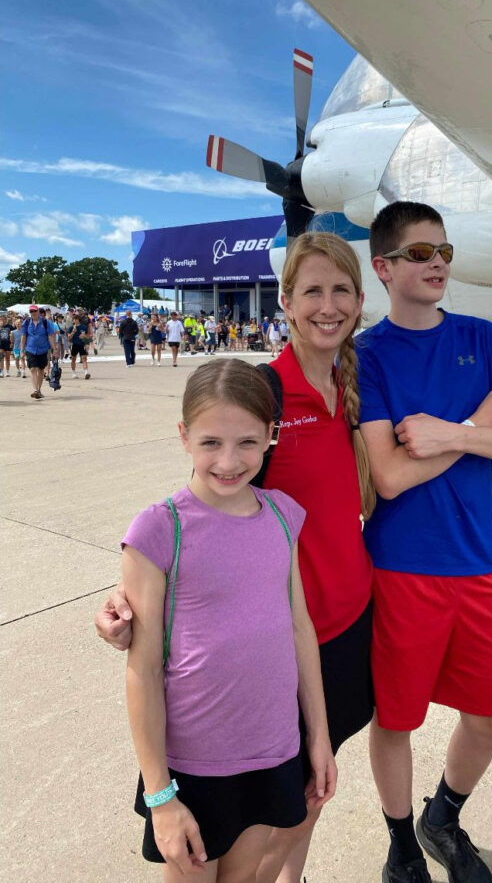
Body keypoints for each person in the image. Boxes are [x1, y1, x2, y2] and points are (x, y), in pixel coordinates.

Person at [96, 232, 376, 883]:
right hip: (240, 695)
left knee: (301, 804)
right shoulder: (259, 390)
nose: (231, 458)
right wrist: (125, 598)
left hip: (334, 636)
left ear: (362, 301)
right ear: (284, 299)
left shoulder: (362, 382)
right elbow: (199, 523)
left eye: (341, 291)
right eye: (311, 290)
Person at [357, 201, 492, 883]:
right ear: (383, 267)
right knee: (397, 718)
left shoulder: (483, 336)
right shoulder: (368, 355)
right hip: (401, 568)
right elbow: (390, 475)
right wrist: (479, 421)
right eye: (418, 253)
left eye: (443, 251)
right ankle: (402, 843)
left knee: (491, 715)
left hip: (476, 561)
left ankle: (444, 815)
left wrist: (454, 431)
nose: (436, 261)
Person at [122, 358, 336, 880]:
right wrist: (160, 793)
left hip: (272, 749)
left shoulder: (284, 515)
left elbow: (299, 628)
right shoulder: (159, 529)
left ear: (271, 435)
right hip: (193, 766)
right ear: (184, 436)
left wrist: (319, 736)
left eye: (246, 442)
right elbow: (143, 669)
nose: (229, 460)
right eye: (211, 442)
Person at [20, 303, 58, 399]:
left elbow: (51, 336)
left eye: (34, 311)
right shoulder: (26, 322)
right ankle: (35, 390)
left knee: (41, 370)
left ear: (38, 312)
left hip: (43, 349)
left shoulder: (46, 323)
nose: (32, 313)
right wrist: (21, 350)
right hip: (30, 349)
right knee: (33, 369)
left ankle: (39, 390)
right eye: (31, 311)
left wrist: (55, 350)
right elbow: (23, 336)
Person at [68, 309, 93, 379]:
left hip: (82, 344)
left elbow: (88, 336)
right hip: (74, 345)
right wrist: (73, 332)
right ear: (72, 320)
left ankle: (86, 373)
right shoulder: (71, 328)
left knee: (84, 358)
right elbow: (68, 338)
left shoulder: (84, 327)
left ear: (79, 320)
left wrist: (85, 336)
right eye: (74, 319)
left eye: (76, 319)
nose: (75, 320)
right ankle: (73, 373)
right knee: (73, 359)